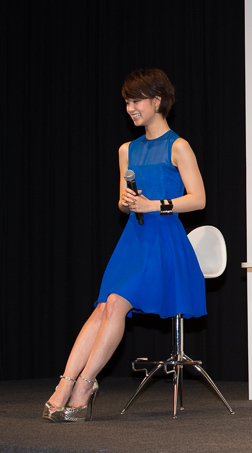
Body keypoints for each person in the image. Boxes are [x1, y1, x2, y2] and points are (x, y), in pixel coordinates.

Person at [42, 69, 206, 422]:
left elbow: (199, 199)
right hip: (133, 238)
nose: (130, 108)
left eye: (136, 101)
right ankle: (64, 385)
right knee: (102, 307)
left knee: (116, 302)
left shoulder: (178, 146)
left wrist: (156, 204)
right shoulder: (126, 150)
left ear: (157, 101)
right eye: (127, 103)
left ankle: (85, 386)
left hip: (164, 241)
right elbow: (122, 201)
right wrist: (130, 203)